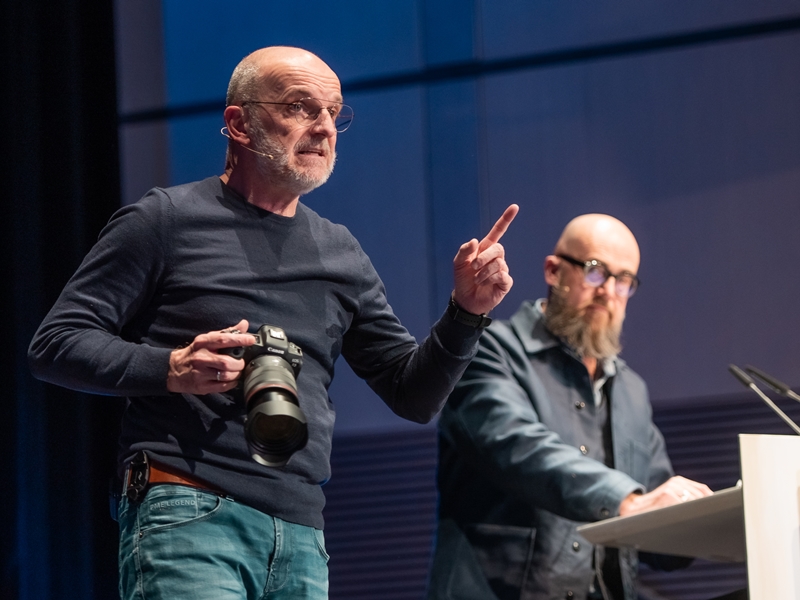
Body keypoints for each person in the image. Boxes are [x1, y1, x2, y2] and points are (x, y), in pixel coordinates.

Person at [28, 46, 518, 599]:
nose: (325, 128)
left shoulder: (339, 252)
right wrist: (171, 367)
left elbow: (413, 394)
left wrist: (467, 313)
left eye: (334, 112)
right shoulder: (165, 220)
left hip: (302, 535)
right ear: (238, 123)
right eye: (301, 107)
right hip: (189, 508)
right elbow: (56, 343)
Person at [427, 214, 712, 600]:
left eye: (624, 280)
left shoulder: (630, 391)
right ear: (553, 270)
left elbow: (656, 526)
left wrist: (701, 523)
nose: (608, 291)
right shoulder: (487, 351)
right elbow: (520, 449)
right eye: (595, 271)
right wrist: (627, 501)